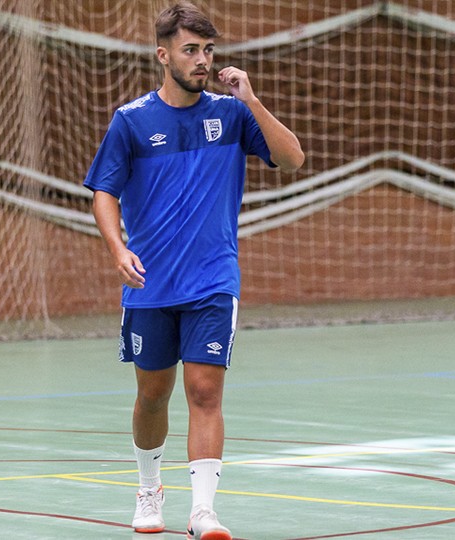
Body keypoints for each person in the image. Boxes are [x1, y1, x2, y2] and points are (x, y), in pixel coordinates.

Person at [83, 2, 304, 538]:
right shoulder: (131, 122)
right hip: (150, 283)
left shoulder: (230, 115)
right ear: (164, 55)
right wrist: (117, 249)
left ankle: (203, 511)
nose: (202, 60)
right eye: (190, 50)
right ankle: (148, 489)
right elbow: (104, 193)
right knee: (152, 395)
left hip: (213, 280)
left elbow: (293, 157)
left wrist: (251, 100)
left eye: (208, 50)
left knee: (205, 391)